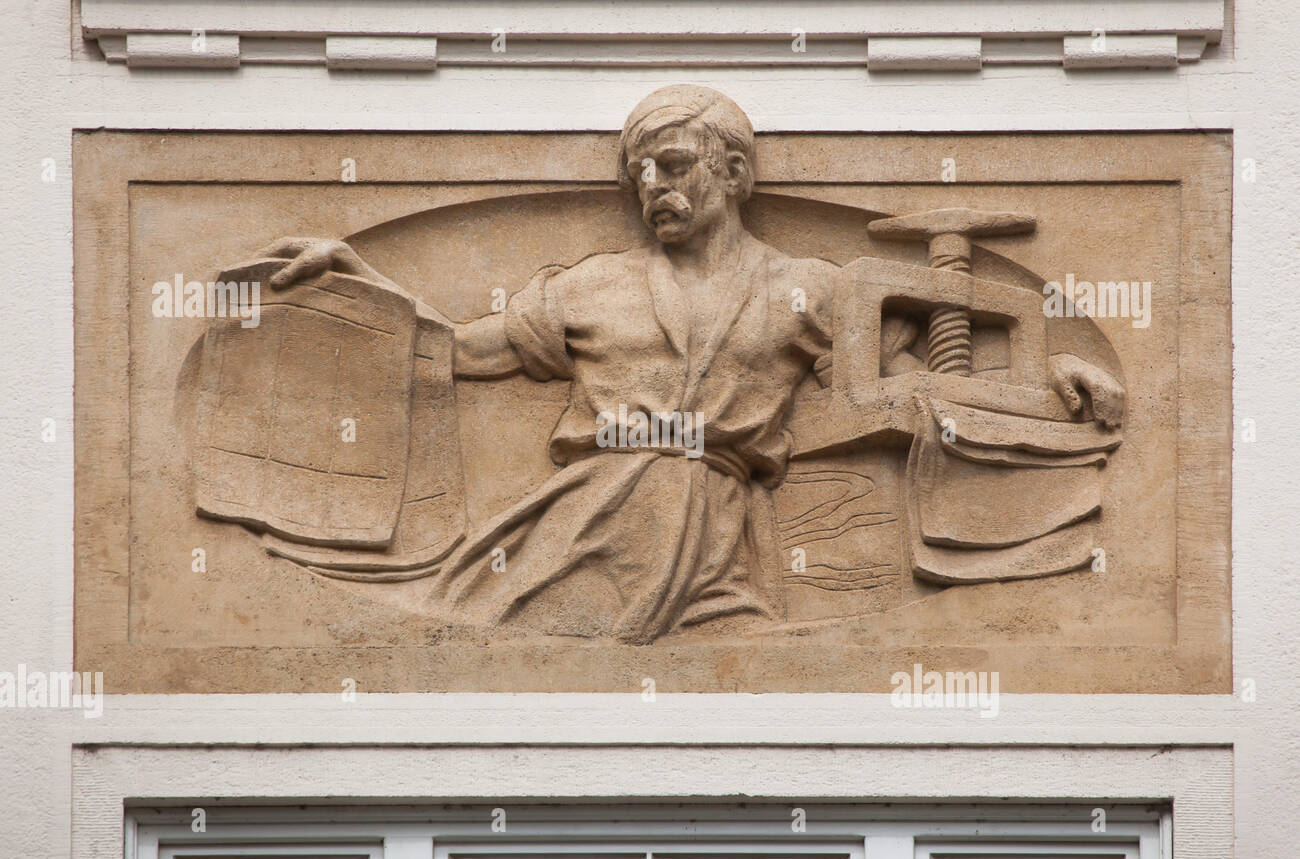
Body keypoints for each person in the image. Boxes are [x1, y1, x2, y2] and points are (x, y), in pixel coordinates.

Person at [251, 85, 1124, 643]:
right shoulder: (592, 287)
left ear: (735, 172)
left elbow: (917, 384)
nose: (652, 188)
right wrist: (366, 286)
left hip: (721, 535)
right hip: (592, 512)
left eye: (672, 166)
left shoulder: (808, 290)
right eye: (638, 174)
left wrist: (1053, 384)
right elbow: (458, 353)